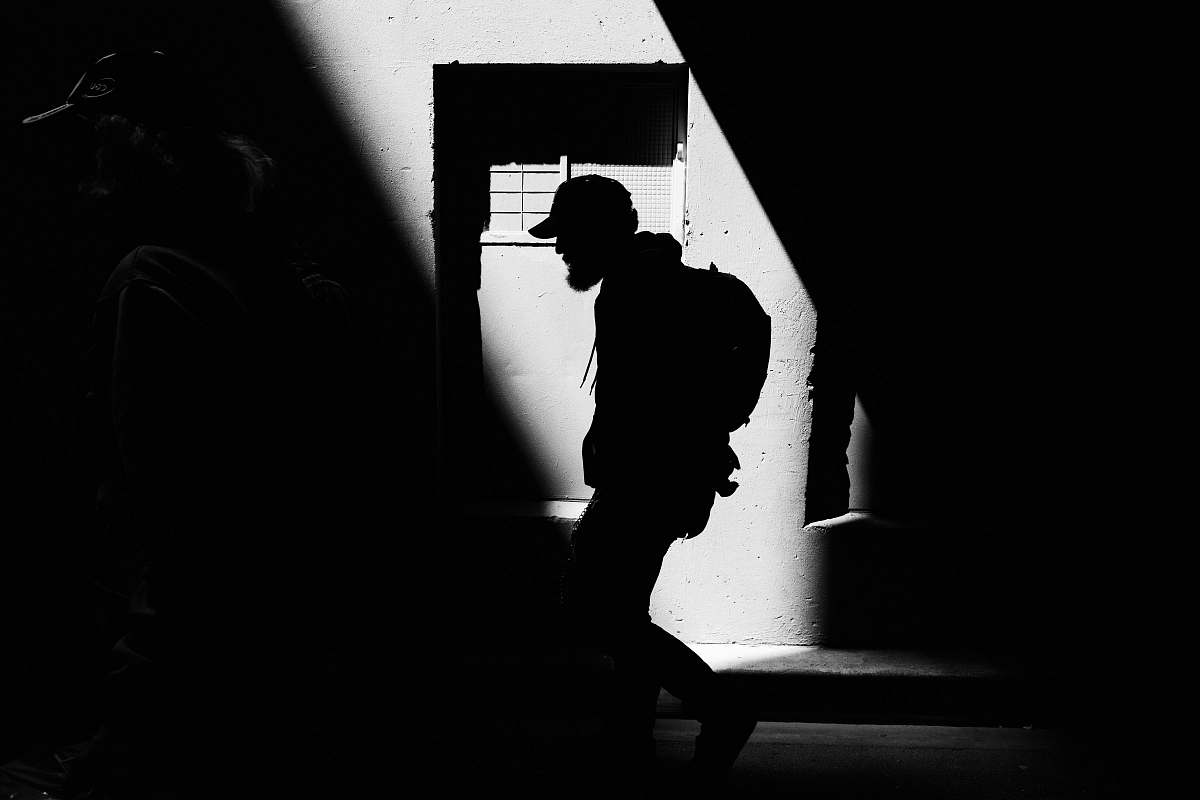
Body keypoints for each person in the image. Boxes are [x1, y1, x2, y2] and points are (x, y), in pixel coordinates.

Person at [22, 50, 343, 799]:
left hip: (177, 641)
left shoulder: (154, 279)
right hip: (258, 629)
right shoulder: (262, 268)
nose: (74, 163)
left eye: (92, 133)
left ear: (126, 145)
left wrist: (124, 717)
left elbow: (170, 510)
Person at [528, 175, 758, 785]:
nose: (560, 249)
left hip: (647, 481)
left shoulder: (636, 284)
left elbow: (651, 399)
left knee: (591, 609)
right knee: (625, 606)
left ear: (602, 232)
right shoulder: (645, 277)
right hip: (662, 476)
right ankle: (630, 741)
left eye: (569, 236)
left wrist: (671, 445)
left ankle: (721, 709)